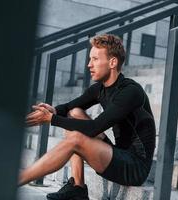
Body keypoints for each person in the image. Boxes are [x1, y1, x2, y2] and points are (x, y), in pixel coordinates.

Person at [20, 34, 156, 200]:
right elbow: (69, 107)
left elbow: (94, 128)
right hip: (119, 153)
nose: (89, 65)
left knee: (76, 138)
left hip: (135, 167)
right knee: (75, 112)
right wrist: (53, 111)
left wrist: (51, 119)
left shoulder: (130, 92)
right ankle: (78, 187)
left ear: (112, 62)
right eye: (90, 59)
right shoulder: (99, 88)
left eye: (95, 59)